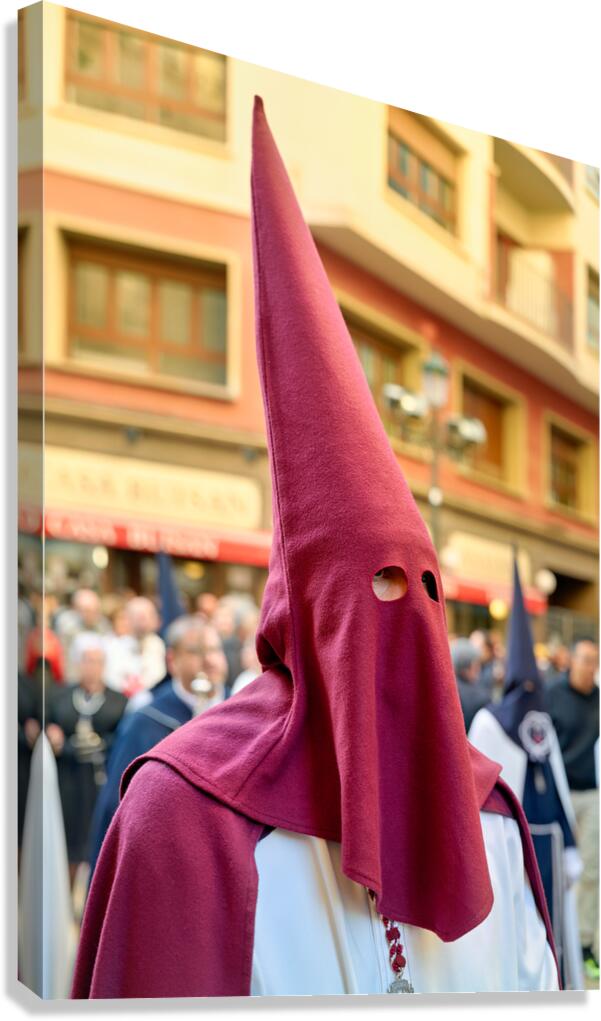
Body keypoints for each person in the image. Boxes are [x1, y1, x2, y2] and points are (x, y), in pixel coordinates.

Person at [71, 96, 560, 999]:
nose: (404, 611)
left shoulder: (489, 811)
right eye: (375, 584)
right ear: (300, 610)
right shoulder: (183, 818)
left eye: (422, 585)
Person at [469, 557, 584, 988]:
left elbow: (554, 781)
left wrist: (569, 842)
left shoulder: (541, 721)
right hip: (510, 847)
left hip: (549, 845)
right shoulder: (488, 723)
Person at [87, 616, 227, 880]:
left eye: (215, 650)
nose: (210, 660)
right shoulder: (148, 720)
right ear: (172, 660)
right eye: (196, 652)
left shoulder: (240, 713)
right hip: (166, 863)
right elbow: (119, 805)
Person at [46, 632, 128, 887]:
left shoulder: (119, 700)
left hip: (98, 780)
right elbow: (50, 723)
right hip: (67, 779)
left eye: (96, 661)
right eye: (86, 660)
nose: (91, 667)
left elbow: (121, 737)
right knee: (68, 845)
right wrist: (52, 733)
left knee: (96, 840)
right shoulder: (60, 696)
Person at [546, 638, 600, 980]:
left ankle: (584, 942)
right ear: (572, 661)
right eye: (584, 660)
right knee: (562, 869)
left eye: (594, 662)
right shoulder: (553, 695)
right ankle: (557, 939)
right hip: (560, 793)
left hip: (592, 793)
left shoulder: (598, 698)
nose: (589, 667)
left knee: (593, 869)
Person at [103, 596, 166, 699]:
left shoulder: (158, 644)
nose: (143, 622)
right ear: (127, 618)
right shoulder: (112, 645)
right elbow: (110, 677)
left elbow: (158, 675)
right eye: (139, 617)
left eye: (148, 616)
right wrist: (129, 687)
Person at [451, 637, 490, 731]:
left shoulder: (445, 690)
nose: (479, 669)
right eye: (477, 664)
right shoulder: (481, 698)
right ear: (471, 666)